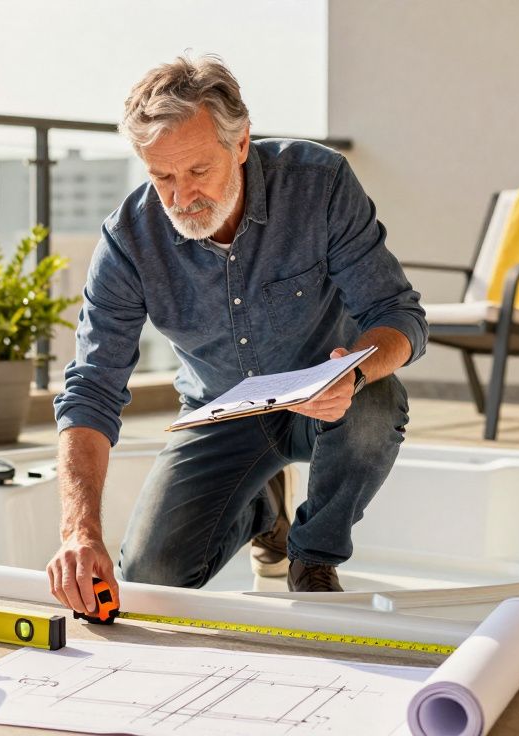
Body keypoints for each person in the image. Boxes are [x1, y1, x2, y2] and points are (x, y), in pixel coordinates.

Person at [48, 54, 427, 616]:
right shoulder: (129, 241)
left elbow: (400, 316)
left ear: (242, 143)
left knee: (378, 402)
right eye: (162, 177)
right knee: (151, 579)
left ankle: (313, 557)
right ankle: (261, 513)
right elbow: (91, 391)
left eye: (198, 171)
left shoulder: (317, 184)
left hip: (332, 404)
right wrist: (78, 531)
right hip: (220, 411)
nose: (181, 198)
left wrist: (355, 373)